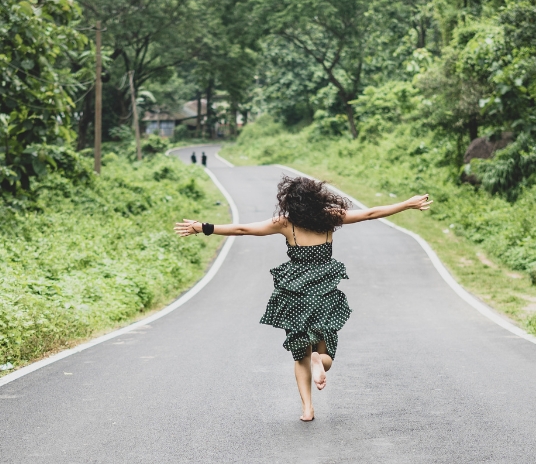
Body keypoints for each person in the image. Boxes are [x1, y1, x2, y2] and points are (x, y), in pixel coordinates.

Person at [175, 176, 431, 421]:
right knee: (325, 350)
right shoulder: (331, 217)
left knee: (300, 356)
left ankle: (307, 408)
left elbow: (243, 229)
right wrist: (407, 203)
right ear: (318, 197)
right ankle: (320, 360)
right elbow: (371, 213)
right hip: (324, 289)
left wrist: (203, 227)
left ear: (290, 201)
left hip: (295, 292)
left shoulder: (285, 223)